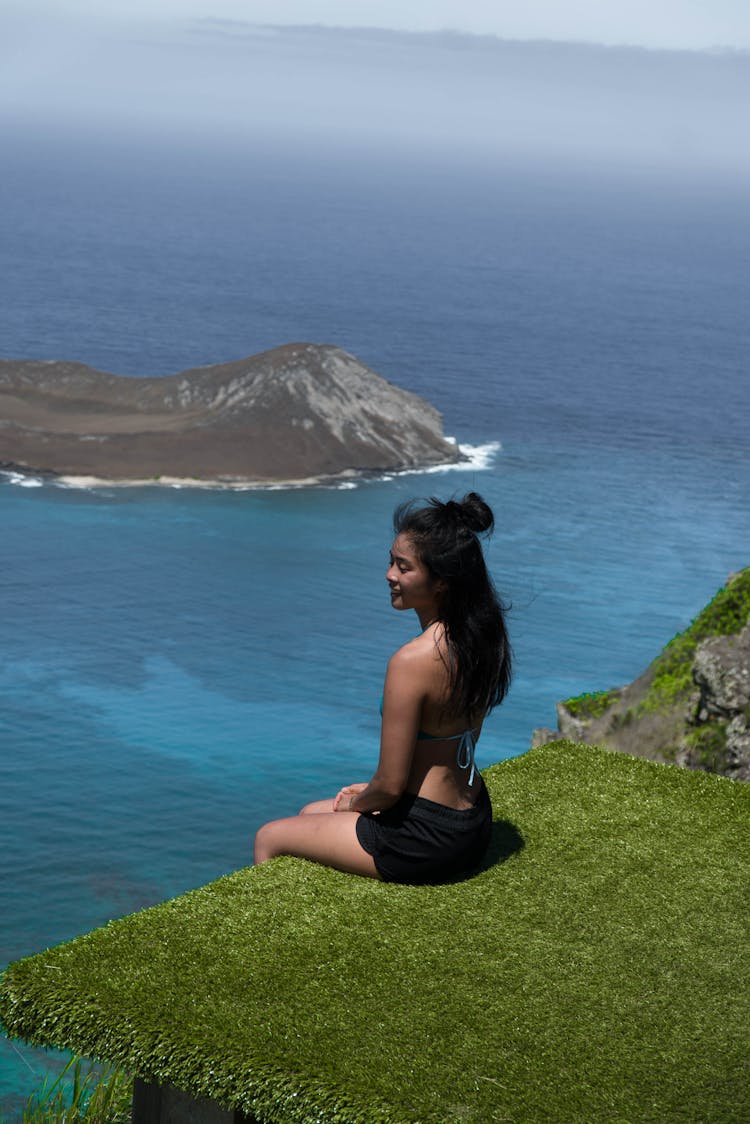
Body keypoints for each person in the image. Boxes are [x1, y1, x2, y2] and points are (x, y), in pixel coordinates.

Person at [253, 491, 512, 884]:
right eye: (391, 561)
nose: (390, 575)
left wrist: (360, 801)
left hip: (424, 839)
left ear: (440, 581)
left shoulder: (413, 661)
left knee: (269, 836)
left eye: (403, 567)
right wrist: (368, 794)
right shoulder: (481, 636)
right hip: (472, 819)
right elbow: (457, 741)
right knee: (309, 814)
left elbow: (389, 787)